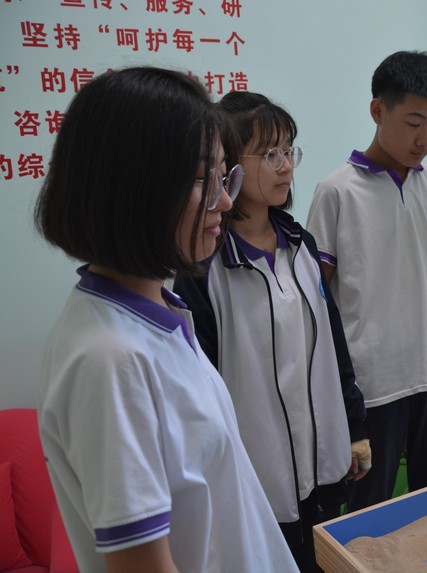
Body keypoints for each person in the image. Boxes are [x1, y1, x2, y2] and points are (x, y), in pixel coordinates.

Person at [34, 67, 298, 572]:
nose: (226, 200)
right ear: (131, 189)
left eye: (224, 175)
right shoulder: (110, 361)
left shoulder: (159, 309)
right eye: (203, 180)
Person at [172, 91, 369, 572]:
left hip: (321, 455)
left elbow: (332, 342)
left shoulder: (300, 243)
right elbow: (199, 383)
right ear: (230, 168)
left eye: (288, 151)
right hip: (254, 470)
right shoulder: (204, 267)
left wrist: (355, 428)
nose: (286, 167)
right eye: (270, 154)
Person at [306, 51, 427, 511]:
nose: (425, 139)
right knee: (368, 508)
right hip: (374, 384)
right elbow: (319, 301)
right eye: (413, 123)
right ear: (377, 110)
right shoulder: (337, 192)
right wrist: (332, 387)